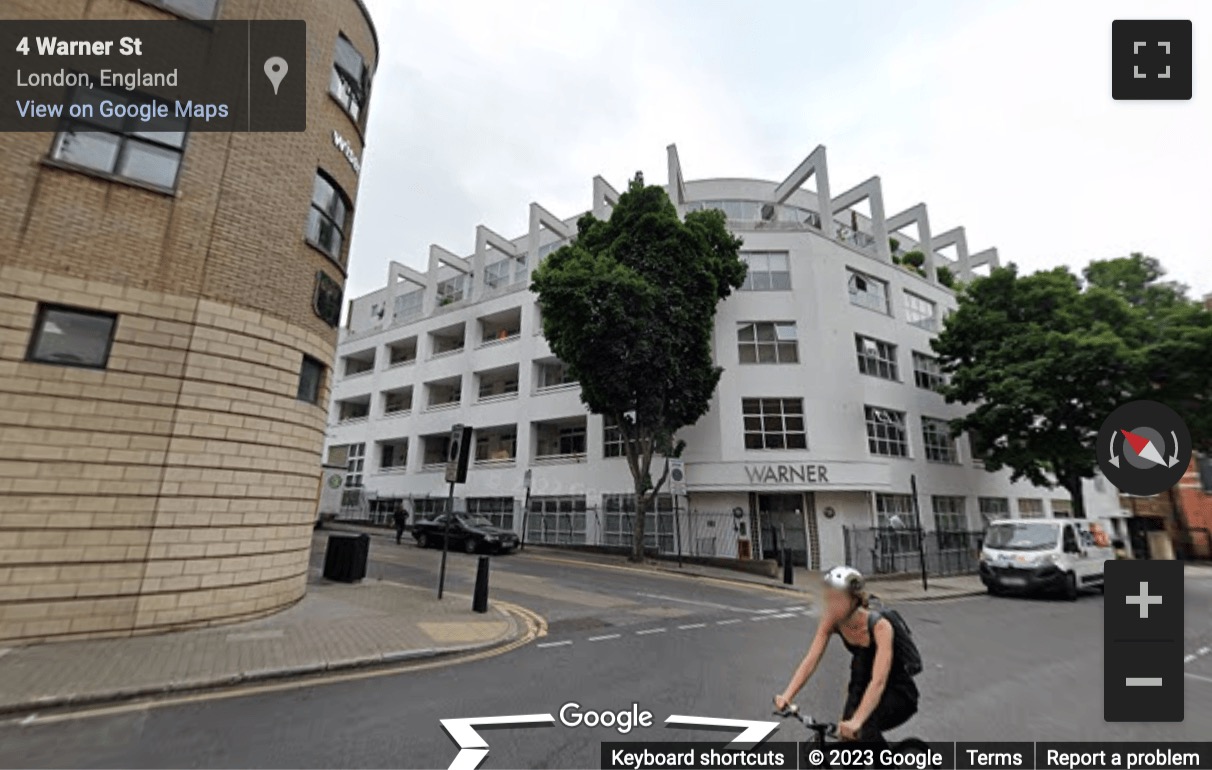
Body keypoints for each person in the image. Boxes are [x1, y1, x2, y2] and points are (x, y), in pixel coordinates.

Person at [774, 566, 918, 743]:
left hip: (897, 690)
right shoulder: (831, 620)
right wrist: (787, 695)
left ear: (854, 599)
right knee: (847, 739)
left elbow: (879, 680)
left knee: (865, 726)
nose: (830, 604)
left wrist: (858, 720)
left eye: (837, 598)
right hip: (860, 682)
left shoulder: (881, 626)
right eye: (828, 598)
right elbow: (810, 661)